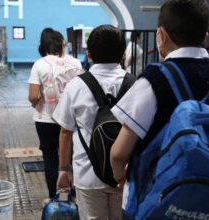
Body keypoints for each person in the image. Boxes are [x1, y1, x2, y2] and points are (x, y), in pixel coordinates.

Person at [110, 0, 209, 213]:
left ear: (160, 35)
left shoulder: (154, 79)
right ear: (205, 36)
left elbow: (119, 152)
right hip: (204, 202)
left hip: (151, 201)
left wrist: (119, 176)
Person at [53, 24, 126, 220]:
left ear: (90, 54)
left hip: (87, 175)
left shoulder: (76, 85)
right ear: (123, 53)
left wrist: (64, 169)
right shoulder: (135, 84)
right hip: (126, 176)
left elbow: (66, 131)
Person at [28, 28, 82, 199]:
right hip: (72, 118)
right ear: (62, 44)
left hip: (46, 120)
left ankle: (55, 198)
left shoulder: (40, 64)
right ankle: (74, 195)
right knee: (72, 157)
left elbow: (33, 96)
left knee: (50, 158)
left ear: (43, 45)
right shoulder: (76, 63)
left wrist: (39, 102)